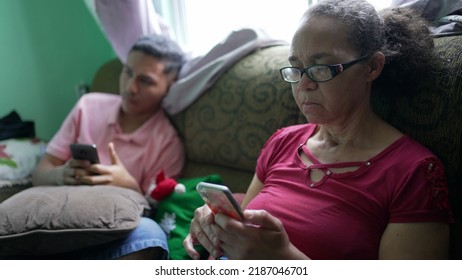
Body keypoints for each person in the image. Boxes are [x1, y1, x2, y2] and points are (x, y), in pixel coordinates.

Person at [183, 0, 453, 260]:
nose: (303, 84)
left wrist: (283, 259)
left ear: (372, 67)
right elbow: (246, 228)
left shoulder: (413, 172)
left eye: (321, 68)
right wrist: (216, 227)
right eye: (296, 68)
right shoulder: (282, 141)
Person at [31, 34, 185, 259]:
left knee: (151, 234)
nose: (130, 88)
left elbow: (160, 213)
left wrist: (129, 185)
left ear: (169, 87)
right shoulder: (88, 106)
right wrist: (60, 175)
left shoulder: (168, 143)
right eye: (128, 72)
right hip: (60, 217)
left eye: (145, 80)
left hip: (114, 233)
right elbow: (39, 173)